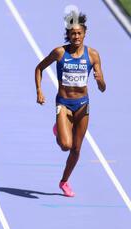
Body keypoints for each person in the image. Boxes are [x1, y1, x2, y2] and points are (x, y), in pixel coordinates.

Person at [35, 11, 106, 197]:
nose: (76, 36)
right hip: (64, 104)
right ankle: (58, 128)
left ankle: (64, 181)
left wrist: (99, 81)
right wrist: (39, 91)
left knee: (76, 149)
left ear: (84, 33)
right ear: (68, 34)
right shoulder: (60, 52)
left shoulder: (93, 55)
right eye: (72, 33)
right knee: (65, 145)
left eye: (79, 33)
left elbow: (103, 88)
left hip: (83, 105)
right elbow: (39, 68)